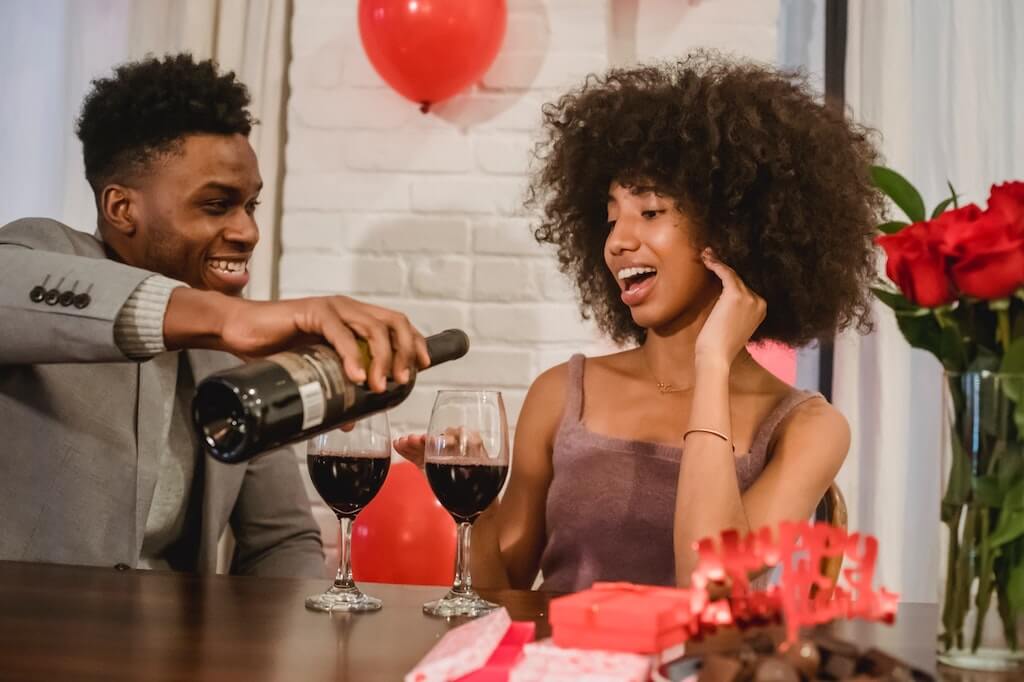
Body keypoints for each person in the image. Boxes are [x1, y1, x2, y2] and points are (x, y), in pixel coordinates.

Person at [396, 52, 882, 591]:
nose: (618, 241)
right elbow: (497, 595)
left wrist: (713, 363)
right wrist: (469, 502)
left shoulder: (807, 428)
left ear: (733, 229)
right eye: (611, 218)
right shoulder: (560, 395)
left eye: (650, 212)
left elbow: (710, 590)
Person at [0, 54, 429, 577]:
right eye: (216, 205)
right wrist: (228, 318)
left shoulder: (232, 352)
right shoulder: (45, 255)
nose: (247, 231)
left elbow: (281, 542)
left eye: (250, 205)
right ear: (121, 209)